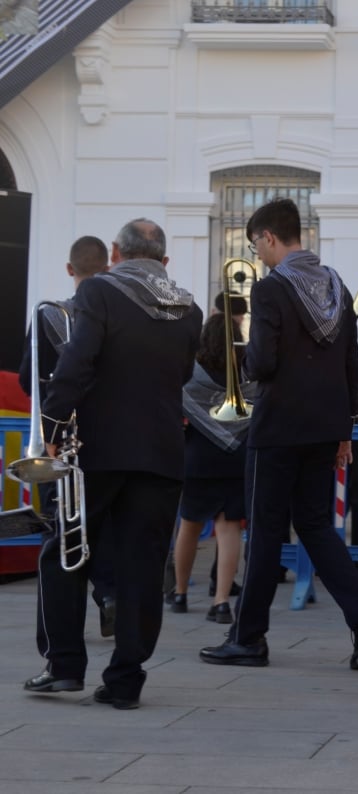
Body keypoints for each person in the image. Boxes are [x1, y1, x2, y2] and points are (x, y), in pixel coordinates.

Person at [199, 197, 358, 669]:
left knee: (264, 531)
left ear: (268, 237)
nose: (257, 255)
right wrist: (344, 427)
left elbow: (262, 362)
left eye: (256, 245)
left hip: (278, 425)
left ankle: (249, 638)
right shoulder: (337, 287)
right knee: (315, 525)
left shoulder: (270, 291)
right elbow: (352, 364)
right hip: (326, 426)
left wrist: (242, 359)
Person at [22, 219, 202, 709]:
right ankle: (125, 680)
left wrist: (53, 431)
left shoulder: (99, 291)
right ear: (164, 261)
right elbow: (183, 375)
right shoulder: (189, 307)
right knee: (142, 566)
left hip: (98, 450)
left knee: (66, 551)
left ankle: (64, 667)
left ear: (117, 253)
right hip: (163, 452)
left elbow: (75, 364)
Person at [16, 235, 118, 642]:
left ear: (69, 270)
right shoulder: (112, 314)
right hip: (105, 436)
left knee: (61, 530)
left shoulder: (48, 315)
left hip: (57, 439)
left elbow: (28, 379)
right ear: (107, 268)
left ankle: (64, 632)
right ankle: (109, 593)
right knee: (100, 523)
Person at [169, 313, 255, 624]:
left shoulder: (191, 372)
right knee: (229, 528)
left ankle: (179, 593)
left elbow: (177, 409)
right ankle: (221, 602)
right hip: (236, 457)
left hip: (197, 458)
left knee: (189, 525)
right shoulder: (246, 373)